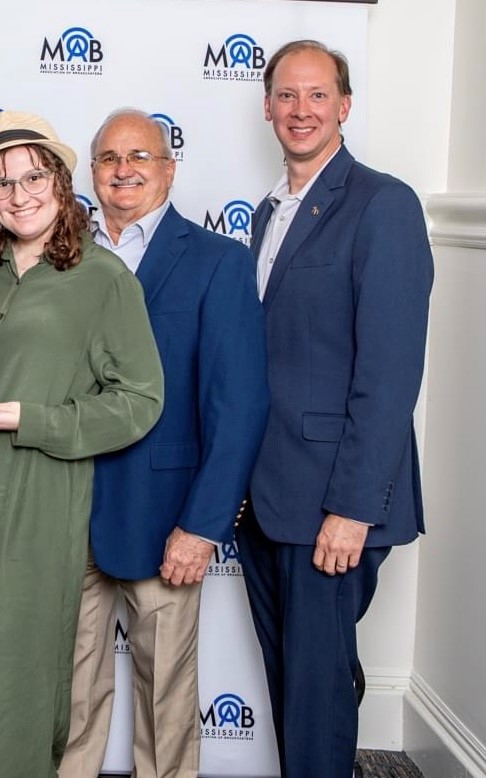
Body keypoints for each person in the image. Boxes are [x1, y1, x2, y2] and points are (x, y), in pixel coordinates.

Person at [0, 111, 164, 778]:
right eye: (2, 184)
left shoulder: (102, 278)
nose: (19, 195)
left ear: (60, 180)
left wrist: (39, 420)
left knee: (12, 668)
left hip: (36, 492)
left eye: (33, 178)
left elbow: (140, 401)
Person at [241, 40, 434, 778]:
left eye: (317, 95)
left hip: (330, 502)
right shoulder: (269, 212)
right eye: (287, 96)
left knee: (316, 695)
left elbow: (389, 375)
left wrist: (354, 508)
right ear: (266, 107)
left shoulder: (383, 204)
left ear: (344, 107)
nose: (300, 110)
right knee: (300, 684)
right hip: (266, 499)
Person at [58, 109, 268, 778]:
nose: (124, 170)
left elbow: (238, 407)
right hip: (65, 507)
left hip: (165, 513)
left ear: (169, 169)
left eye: (140, 156)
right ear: (91, 174)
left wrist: (203, 526)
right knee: (69, 695)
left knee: (167, 703)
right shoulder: (62, 258)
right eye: (109, 158)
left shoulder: (218, 262)